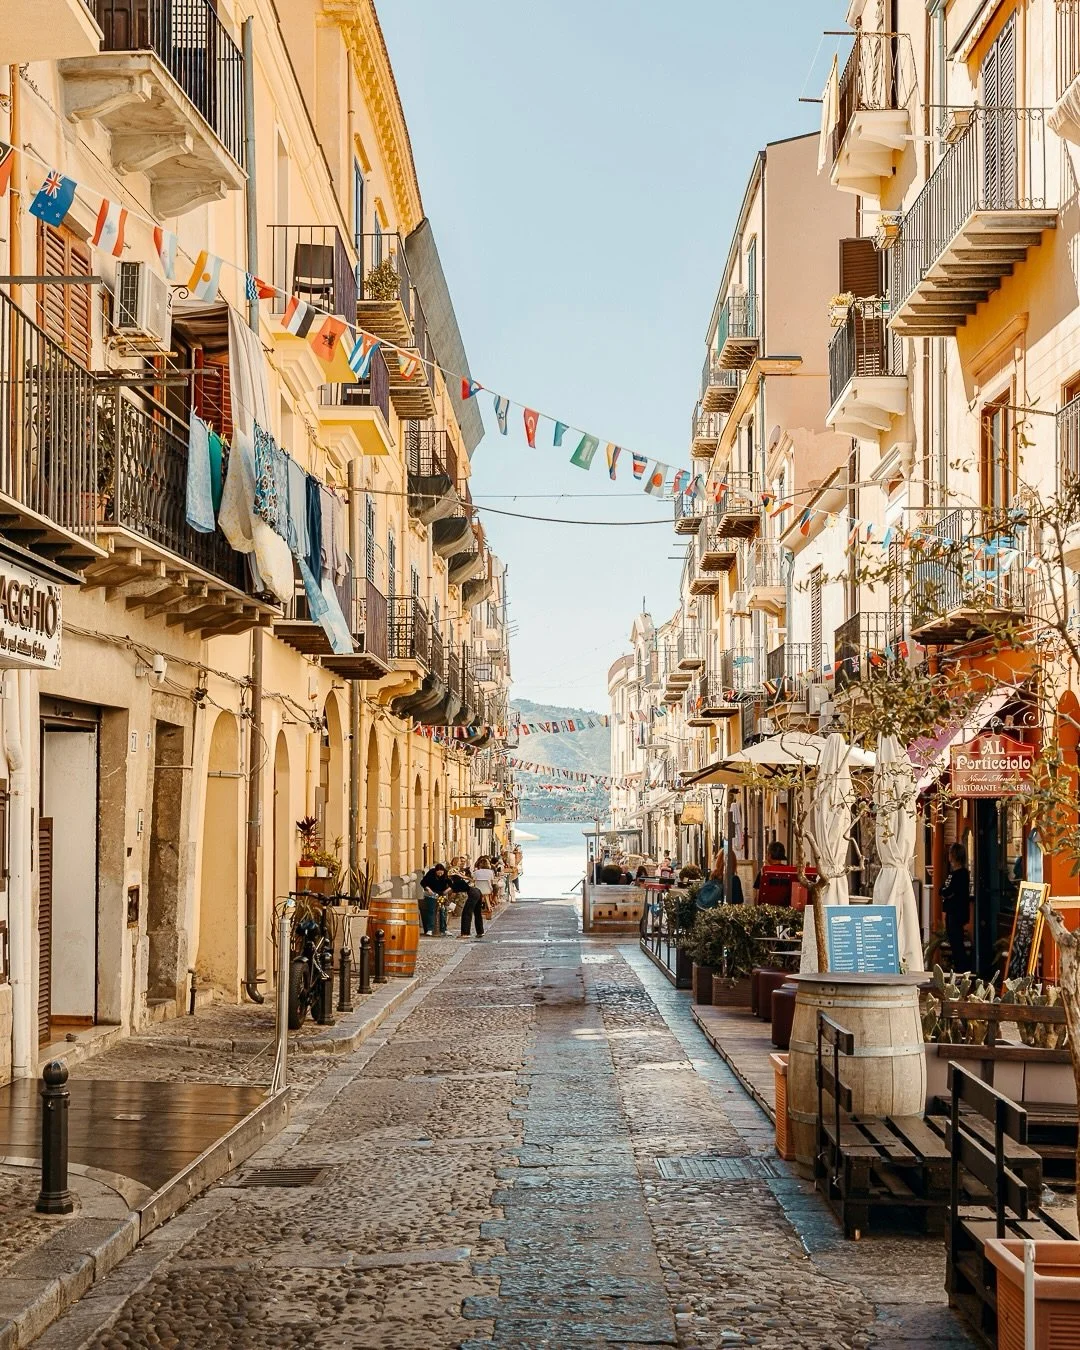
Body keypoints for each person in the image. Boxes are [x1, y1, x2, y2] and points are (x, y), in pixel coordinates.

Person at [941, 842, 971, 971]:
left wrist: (946, 893)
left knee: (957, 942)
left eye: (950, 853)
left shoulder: (962, 874)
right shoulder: (952, 873)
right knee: (953, 941)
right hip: (950, 911)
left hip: (957, 912)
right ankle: (959, 967)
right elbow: (942, 890)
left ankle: (962, 969)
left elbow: (950, 891)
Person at [462, 854, 495, 939]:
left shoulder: (476, 872)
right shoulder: (491, 872)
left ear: (479, 864)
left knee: (468, 911)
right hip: (487, 890)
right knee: (477, 912)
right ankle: (480, 931)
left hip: (477, 891)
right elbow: (492, 881)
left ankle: (466, 933)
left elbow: (473, 880)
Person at [419, 863, 451, 937]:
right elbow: (423, 882)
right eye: (438, 873)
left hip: (441, 894)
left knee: (443, 911)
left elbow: (451, 884)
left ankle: (444, 929)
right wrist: (428, 889)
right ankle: (430, 929)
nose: (440, 875)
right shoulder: (431, 873)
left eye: (441, 873)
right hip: (431, 894)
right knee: (431, 910)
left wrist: (447, 890)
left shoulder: (446, 874)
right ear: (435, 871)